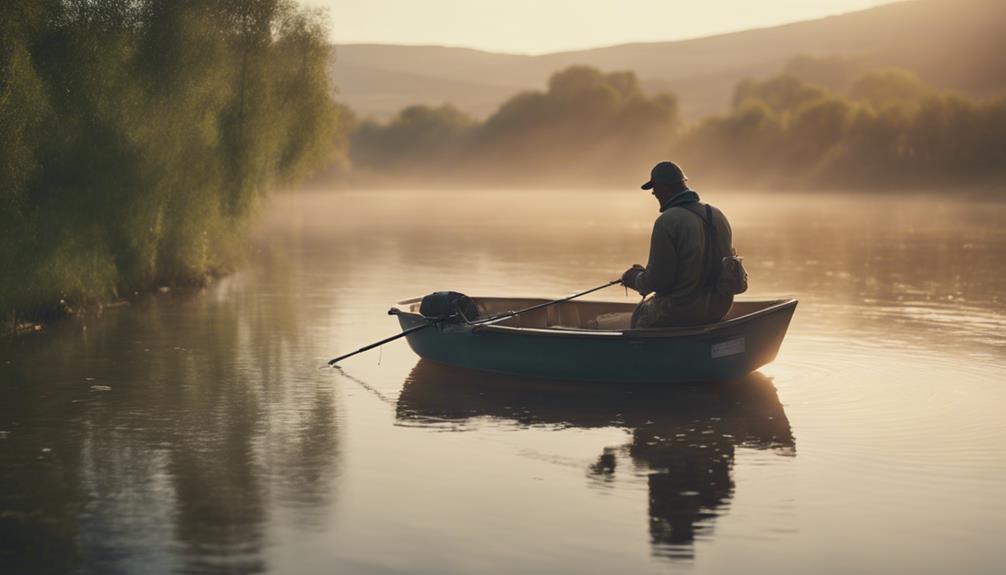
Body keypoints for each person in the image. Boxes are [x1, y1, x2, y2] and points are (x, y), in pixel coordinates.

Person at [621, 161, 735, 328]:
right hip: (719, 309)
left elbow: (659, 281)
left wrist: (634, 278)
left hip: (680, 312)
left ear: (665, 188)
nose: (653, 193)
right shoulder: (717, 215)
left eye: (654, 187)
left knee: (639, 315)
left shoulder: (667, 221)